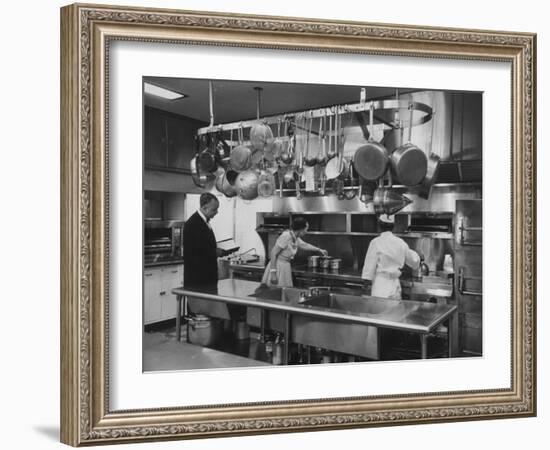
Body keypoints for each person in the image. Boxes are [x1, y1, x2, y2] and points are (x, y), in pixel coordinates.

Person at [361, 214, 421, 299]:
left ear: (379, 225)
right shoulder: (400, 242)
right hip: (394, 286)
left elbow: (369, 266)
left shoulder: (375, 242)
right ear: (393, 226)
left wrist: (366, 284)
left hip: (380, 286)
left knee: (380, 312)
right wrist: (417, 256)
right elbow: (414, 261)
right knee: (394, 311)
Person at [261, 217, 328, 287]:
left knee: (284, 292)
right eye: (306, 229)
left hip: (285, 266)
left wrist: (319, 249)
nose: (306, 231)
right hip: (278, 266)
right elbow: (273, 253)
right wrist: (273, 273)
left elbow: (304, 245)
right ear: (301, 229)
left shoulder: (295, 237)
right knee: (275, 293)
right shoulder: (286, 236)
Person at [183, 193, 229, 288]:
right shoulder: (193, 224)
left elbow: (203, 245)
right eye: (214, 210)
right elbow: (194, 254)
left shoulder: (204, 221)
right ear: (204, 207)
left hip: (206, 278)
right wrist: (215, 252)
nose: (216, 212)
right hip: (198, 280)